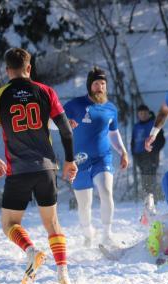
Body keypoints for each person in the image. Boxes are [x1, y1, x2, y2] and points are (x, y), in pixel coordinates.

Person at [0, 47, 77, 284]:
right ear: (29, 68)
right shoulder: (46, 91)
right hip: (46, 169)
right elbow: (65, 129)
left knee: (9, 224)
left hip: (18, 171)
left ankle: (31, 251)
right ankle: (63, 272)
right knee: (52, 222)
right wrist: (69, 159)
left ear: (7, 70)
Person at [64, 66, 129, 247]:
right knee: (84, 204)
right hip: (80, 161)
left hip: (103, 158)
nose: (100, 87)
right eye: (96, 84)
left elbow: (113, 134)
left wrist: (122, 151)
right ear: (89, 86)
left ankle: (107, 234)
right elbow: (53, 123)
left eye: (103, 83)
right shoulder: (75, 105)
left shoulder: (110, 108)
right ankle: (88, 234)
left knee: (106, 192)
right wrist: (65, 124)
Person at [131, 104, 165, 198]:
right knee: (144, 177)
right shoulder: (136, 126)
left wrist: (155, 151)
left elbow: (161, 140)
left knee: (150, 176)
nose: (142, 115)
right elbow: (133, 141)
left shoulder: (154, 125)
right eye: (140, 113)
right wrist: (134, 153)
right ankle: (147, 198)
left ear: (148, 113)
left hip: (150, 155)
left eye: (144, 113)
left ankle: (153, 197)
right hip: (139, 155)